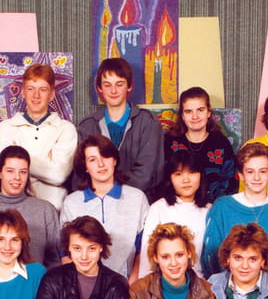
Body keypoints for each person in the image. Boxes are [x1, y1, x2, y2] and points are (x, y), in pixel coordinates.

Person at [202, 142, 268, 286]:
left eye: (262, 171)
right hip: (228, 290)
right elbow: (211, 258)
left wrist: (266, 290)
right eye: (250, 172)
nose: (256, 178)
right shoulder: (222, 207)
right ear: (241, 175)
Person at [62, 135, 149, 282]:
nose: (101, 164)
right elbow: (64, 251)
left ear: (114, 160)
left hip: (126, 283)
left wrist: (132, 283)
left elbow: (144, 248)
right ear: (85, 167)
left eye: (105, 157)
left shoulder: (137, 198)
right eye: (92, 160)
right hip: (83, 284)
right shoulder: (71, 202)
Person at [0, 63, 77, 210]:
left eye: (42, 90)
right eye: (30, 89)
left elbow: (59, 175)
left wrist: (17, 160)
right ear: (23, 92)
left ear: (51, 94)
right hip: (13, 211)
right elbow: (3, 174)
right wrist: (46, 163)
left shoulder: (66, 129)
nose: (36, 95)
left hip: (54, 211)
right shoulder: (5, 128)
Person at [75, 57, 164, 199]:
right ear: (99, 88)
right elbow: (80, 173)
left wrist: (112, 191)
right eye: (107, 85)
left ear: (129, 86)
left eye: (119, 84)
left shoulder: (148, 122)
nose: (113, 91)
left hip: (138, 200)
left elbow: (147, 174)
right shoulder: (87, 126)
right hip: (98, 201)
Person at [0, 145, 60, 273]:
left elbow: (55, 261)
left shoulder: (46, 211)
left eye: (23, 172)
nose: (17, 177)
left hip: (39, 284)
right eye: (10, 171)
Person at [138, 150, 210, 278]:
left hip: (201, 283)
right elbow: (146, 256)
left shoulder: (210, 210)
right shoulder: (158, 208)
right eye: (178, 174)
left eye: (192, 173)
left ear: (201, 176)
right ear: (170, 178)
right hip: (163, 282)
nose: (186, 180)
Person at [164, 86, 236, 202]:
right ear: (182, 115)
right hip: (177, 206)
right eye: (188, 111)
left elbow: (230, 182)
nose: (195, 116)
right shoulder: (170, 142)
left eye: (200, 110)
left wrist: (216, 206)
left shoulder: (221, 143)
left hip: (214, 206)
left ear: (209, 112)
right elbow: (163, 180)